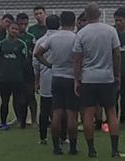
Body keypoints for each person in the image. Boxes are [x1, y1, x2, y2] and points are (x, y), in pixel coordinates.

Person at [73, 2, 125, 158]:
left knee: (88, 113)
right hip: (106, 76)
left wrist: (77, 79)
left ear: (86, 15)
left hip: (88, 78)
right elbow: (117, 54)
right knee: (111, 112)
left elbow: (76, 59)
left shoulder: (82, 34)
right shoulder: (110, 31)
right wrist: (117, 75)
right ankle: (115, 150)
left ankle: (91, 149)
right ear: (100, 14)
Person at [35, 11, 80, 155]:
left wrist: (49, 65)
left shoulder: (53, 38)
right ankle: (72, 147)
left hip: (56, 77)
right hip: (71, 77)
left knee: (56, 113)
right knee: (72, 114)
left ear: (61, 22)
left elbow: (37, 53)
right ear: (73, 23)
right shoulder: (76, 38)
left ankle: (56, 147)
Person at [0, 21, 29, 130]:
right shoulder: (2, 44)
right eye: (12, 28)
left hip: (18, 78)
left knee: (21, 101)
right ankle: (3, 122)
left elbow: (25, 61)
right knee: (4, 101)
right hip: (4, 77)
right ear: (8, 29)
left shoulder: (21, 44)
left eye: (16, 29)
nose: (14, 31)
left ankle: (22, 122)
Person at [34, 15, 60, 145]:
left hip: (45, 78)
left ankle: (43, 137)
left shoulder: (41, 41)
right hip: (62, 76)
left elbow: (36, 62)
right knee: (61, 109)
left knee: (44, 109)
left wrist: (36, 80)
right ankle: (63, 136)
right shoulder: (65, 39)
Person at [17, 12, 39, 127]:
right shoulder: (13, 37)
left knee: (31, 95)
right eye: (21, 24)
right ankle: (20, 119)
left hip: (28, 70)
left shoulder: (31, 38)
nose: (23, 26)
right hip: (16, 70)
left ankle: (34, 119)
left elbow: (35, 54)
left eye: (25, 24)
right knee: (18, 97)